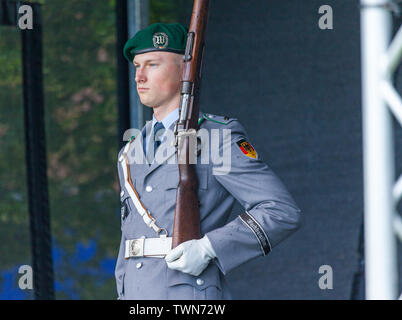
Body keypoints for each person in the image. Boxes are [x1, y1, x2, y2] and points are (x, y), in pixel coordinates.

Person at [115, 22, 302, 300]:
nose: (139, 77)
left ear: (184, 70)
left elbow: (280, 210)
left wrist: (209, 248)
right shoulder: (130, 152)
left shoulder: (216, 138)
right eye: (136, 66)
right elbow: (130, 241)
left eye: (152, 65)